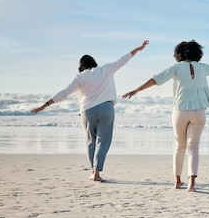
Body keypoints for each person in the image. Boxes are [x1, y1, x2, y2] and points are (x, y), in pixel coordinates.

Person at [122, 40, 209, 192]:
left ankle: (177, 181)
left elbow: (156, 79)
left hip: (180, 112)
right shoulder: (203, 67)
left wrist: (136, 90)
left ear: (178, 54)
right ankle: (191, 184)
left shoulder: (176, 68)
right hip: (198, 112)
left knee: (179, 146)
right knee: (193, 147)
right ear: (198, 53)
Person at [31, 40, 149, 182]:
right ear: (94, 63)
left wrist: (44, 105)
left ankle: (93, 172)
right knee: (103, 141)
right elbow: (124, 59)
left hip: (87, 111)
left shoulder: (80, 77)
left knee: (90, 142)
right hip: (106, 109)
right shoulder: (106, 69)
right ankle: (97, 173)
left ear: (81, 66)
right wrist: (138, 48)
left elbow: (65, 92)